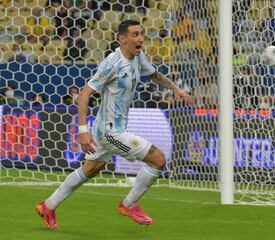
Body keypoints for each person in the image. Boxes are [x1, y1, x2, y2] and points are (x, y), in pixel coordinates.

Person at [35, 20, 192, 229]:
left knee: (91, 169)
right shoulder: (112, 63)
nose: (141, 39)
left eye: (142, 34)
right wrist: (82, 131)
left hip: (109, 128)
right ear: (122, 38)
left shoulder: (138, 58)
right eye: (135, 34)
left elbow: (154, 75)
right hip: (109, 132)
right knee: (158, 160)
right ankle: (130, 204)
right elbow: (84, 95)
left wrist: (176, 90)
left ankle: (48, 205)